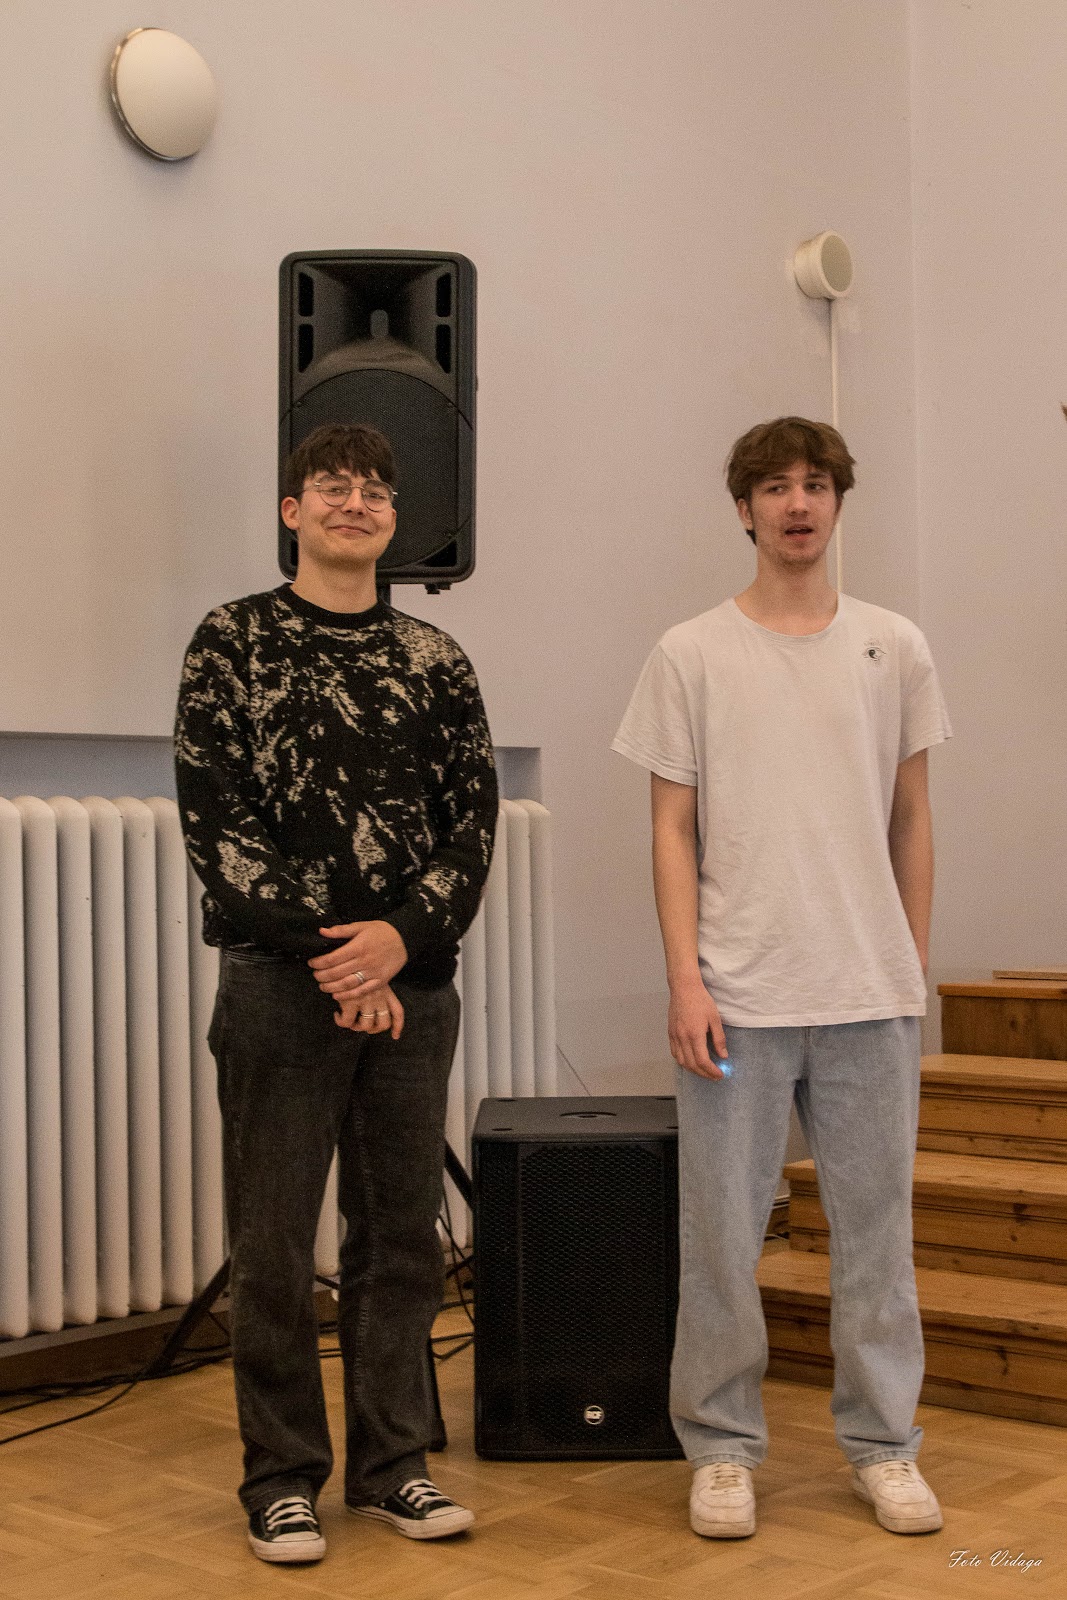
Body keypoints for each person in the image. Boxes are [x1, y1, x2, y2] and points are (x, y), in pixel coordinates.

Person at [612, 417, 951, 1541]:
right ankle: (719, 1447)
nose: (796, 503)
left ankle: (884, 1445)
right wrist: (684, 980)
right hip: (734, 1001)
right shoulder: (689, 652)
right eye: (773, 486)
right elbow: (669, 828)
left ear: (837, 502)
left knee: (876, 1240)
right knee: (718, 1237)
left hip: (869, 996)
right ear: (743, 509)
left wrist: (908, 965)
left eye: (814, 484)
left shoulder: (893, 645)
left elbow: (910, 815)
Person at [175, 422, 497, 1564]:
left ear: (394, 520)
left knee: (399, 1239)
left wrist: (396, 943)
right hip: (279, 985)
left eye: (373, 490)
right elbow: (219, 824)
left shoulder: (436, 659)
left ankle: (393, 1468)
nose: (353, 503)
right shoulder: (231, 642)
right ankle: (280, 1480)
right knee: (270, 1246)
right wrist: (341, 960)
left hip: (413, 989)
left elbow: (471, 825)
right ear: (291, 510)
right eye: (331, 486)